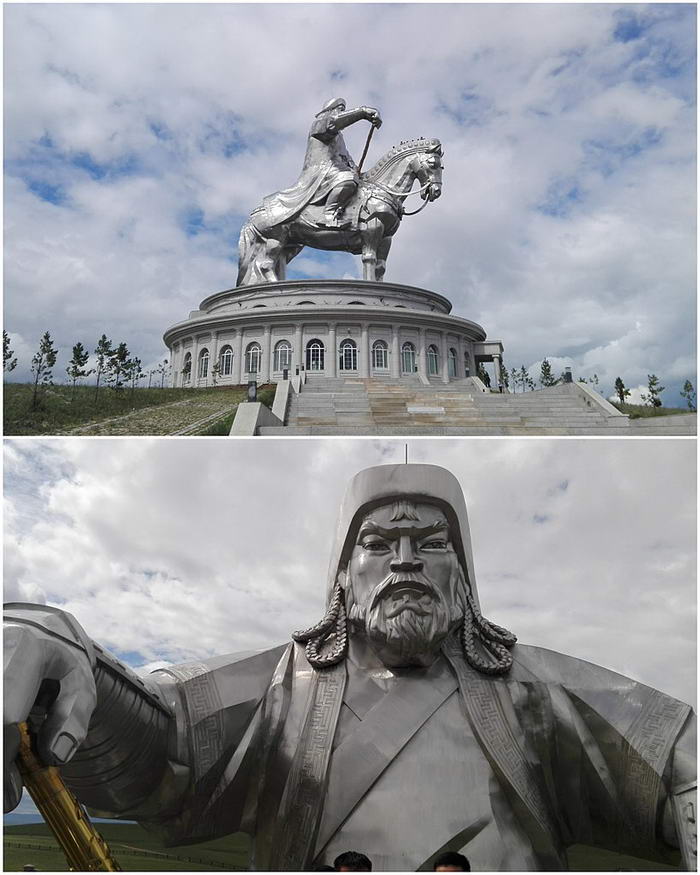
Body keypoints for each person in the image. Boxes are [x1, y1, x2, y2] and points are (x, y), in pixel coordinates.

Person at [4, 464, 696, 871]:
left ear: (464, 575)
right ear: (341, 576)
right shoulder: (278, 689)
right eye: (378, 541)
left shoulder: (535, 691)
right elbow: (159, 747)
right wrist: (72, 658)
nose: (405, 559)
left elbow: (676, 753)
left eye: (430, 542)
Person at [257, 97, 382, 230]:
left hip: (334, 169)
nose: (341, 113)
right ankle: (328, 214)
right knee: (347, 179)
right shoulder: (320, 123)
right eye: (339, 110)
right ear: (330, 110)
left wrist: (355, 168)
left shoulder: (339, 137)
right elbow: (334, 121)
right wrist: (362, 112)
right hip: (321, 170)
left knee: (359, 182)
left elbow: (345, 156)